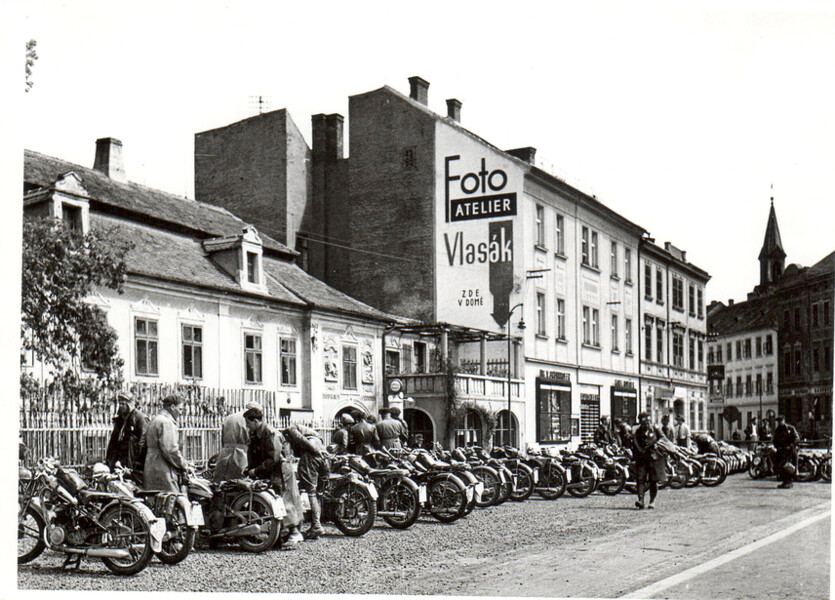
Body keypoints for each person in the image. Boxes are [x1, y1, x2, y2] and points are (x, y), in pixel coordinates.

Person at [243, 405, 304, 549]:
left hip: (280, 471)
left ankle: (294, 533)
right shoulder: (256, 434)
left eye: (249, 423)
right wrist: (250, 469)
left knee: (284, 500)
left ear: (256, 421)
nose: (247, 427)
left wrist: (256, 470)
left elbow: (273, 458)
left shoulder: (271, 433)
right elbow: (255, 453)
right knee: (276, 501)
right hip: (271, 470)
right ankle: (280, 535)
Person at [284, 423, 329, 540]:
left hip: (311, 457)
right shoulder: (312, 432)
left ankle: (316, 526)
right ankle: (315, 524)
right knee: (318, 493)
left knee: (311, 492)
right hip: (324, 459)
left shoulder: (290, 429)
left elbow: (300, 439)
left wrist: (313, 450)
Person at [143, 394, 188, 493]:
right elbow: (170, 449)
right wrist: (183, 464)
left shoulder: (155, 419)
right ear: (172, 407)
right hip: (163, 469)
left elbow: (143, 442)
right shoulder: (166, 422)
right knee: (173, 500)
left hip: (150, 466)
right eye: (180, 409)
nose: (181, 413)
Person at [632, 411, 667, 509]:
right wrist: (635, 457)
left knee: (653, 480)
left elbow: (664, 439)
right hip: (642, 458)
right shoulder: (637, 431)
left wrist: (657, 444)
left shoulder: (656, 429)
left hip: (654, 458)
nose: (646, 423)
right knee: (640, 479)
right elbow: (634, 445)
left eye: (648, 420)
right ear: (640, 422)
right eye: (644, 421)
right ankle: (641, 500)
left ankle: (652, 501)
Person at [105, 391, 148, 471]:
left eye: (123, 404)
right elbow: (113, 441)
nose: (121, 406)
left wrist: (138, 461)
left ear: (129, 404)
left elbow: (144, 439)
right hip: (119, 457)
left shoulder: (139, 417)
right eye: (120, 403)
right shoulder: (120, 420)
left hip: (132, 458)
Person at [213, 401, 250, 482]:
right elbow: (250, 439)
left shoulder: (229, 418)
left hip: (225, 453)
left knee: (222, 482)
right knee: (240, 483)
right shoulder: (247, 419)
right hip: (241, 455)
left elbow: (222, 439)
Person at [773, 415, 800, 489]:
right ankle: (785, 482)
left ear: (784, 420)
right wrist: (778, 447)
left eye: (781, 420)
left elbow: (797, 437)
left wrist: (791, 445)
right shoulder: (778, 430)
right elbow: (775, 440)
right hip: (781, 451)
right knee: (781, 467)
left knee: (789, 466)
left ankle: (789, 482)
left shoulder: (790, 428)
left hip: (790, 451)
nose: (780, 422)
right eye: (778, 421)